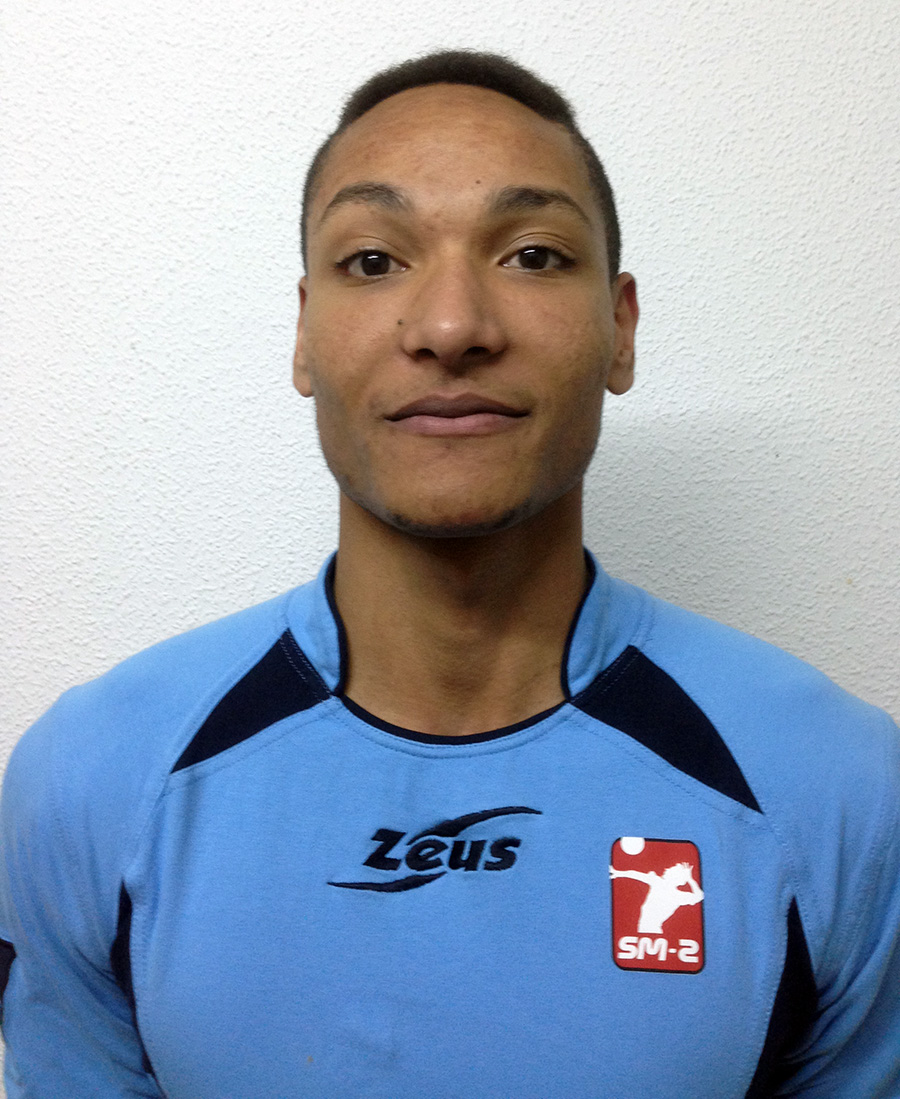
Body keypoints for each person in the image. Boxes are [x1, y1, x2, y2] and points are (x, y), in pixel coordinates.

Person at [1, 48, 898, 1098]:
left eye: (532, 254)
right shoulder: (91, 782)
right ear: (303, 334)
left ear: (621, 329)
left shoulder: (843, 792)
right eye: (375, 260)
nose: (451, 327)